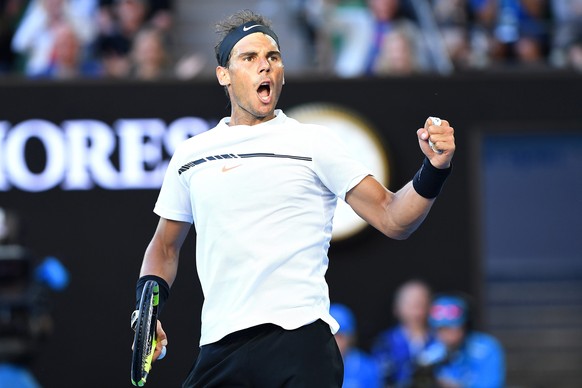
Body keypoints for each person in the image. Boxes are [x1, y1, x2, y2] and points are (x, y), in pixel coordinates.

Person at [131, 9, 455, 387]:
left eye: (273, 57)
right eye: (249, 58)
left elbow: (393, 217)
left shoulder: (314, 143)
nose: (264, 67)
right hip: (220, 346)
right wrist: (145, 310)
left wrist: (435, 168)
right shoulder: (191, 156)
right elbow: (165, 247)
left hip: (300, 343)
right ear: (224, 75)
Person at [418, 295, 505, 388]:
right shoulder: (430, 355)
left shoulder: (485, 349)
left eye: (452, 327)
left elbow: (492, 385)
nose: (447, 334)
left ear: (465, 326)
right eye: (441, 329)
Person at [372, 280, 437, 387]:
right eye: (410, 303)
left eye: (420, 303)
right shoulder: (384, 343)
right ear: (396, 308)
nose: (416, 309)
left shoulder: (439, 340)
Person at [330, 303, 382, 388]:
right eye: (330, 336)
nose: (334, 341)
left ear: (350, 337)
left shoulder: (367, 367)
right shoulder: (311, 366)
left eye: (339, 336)